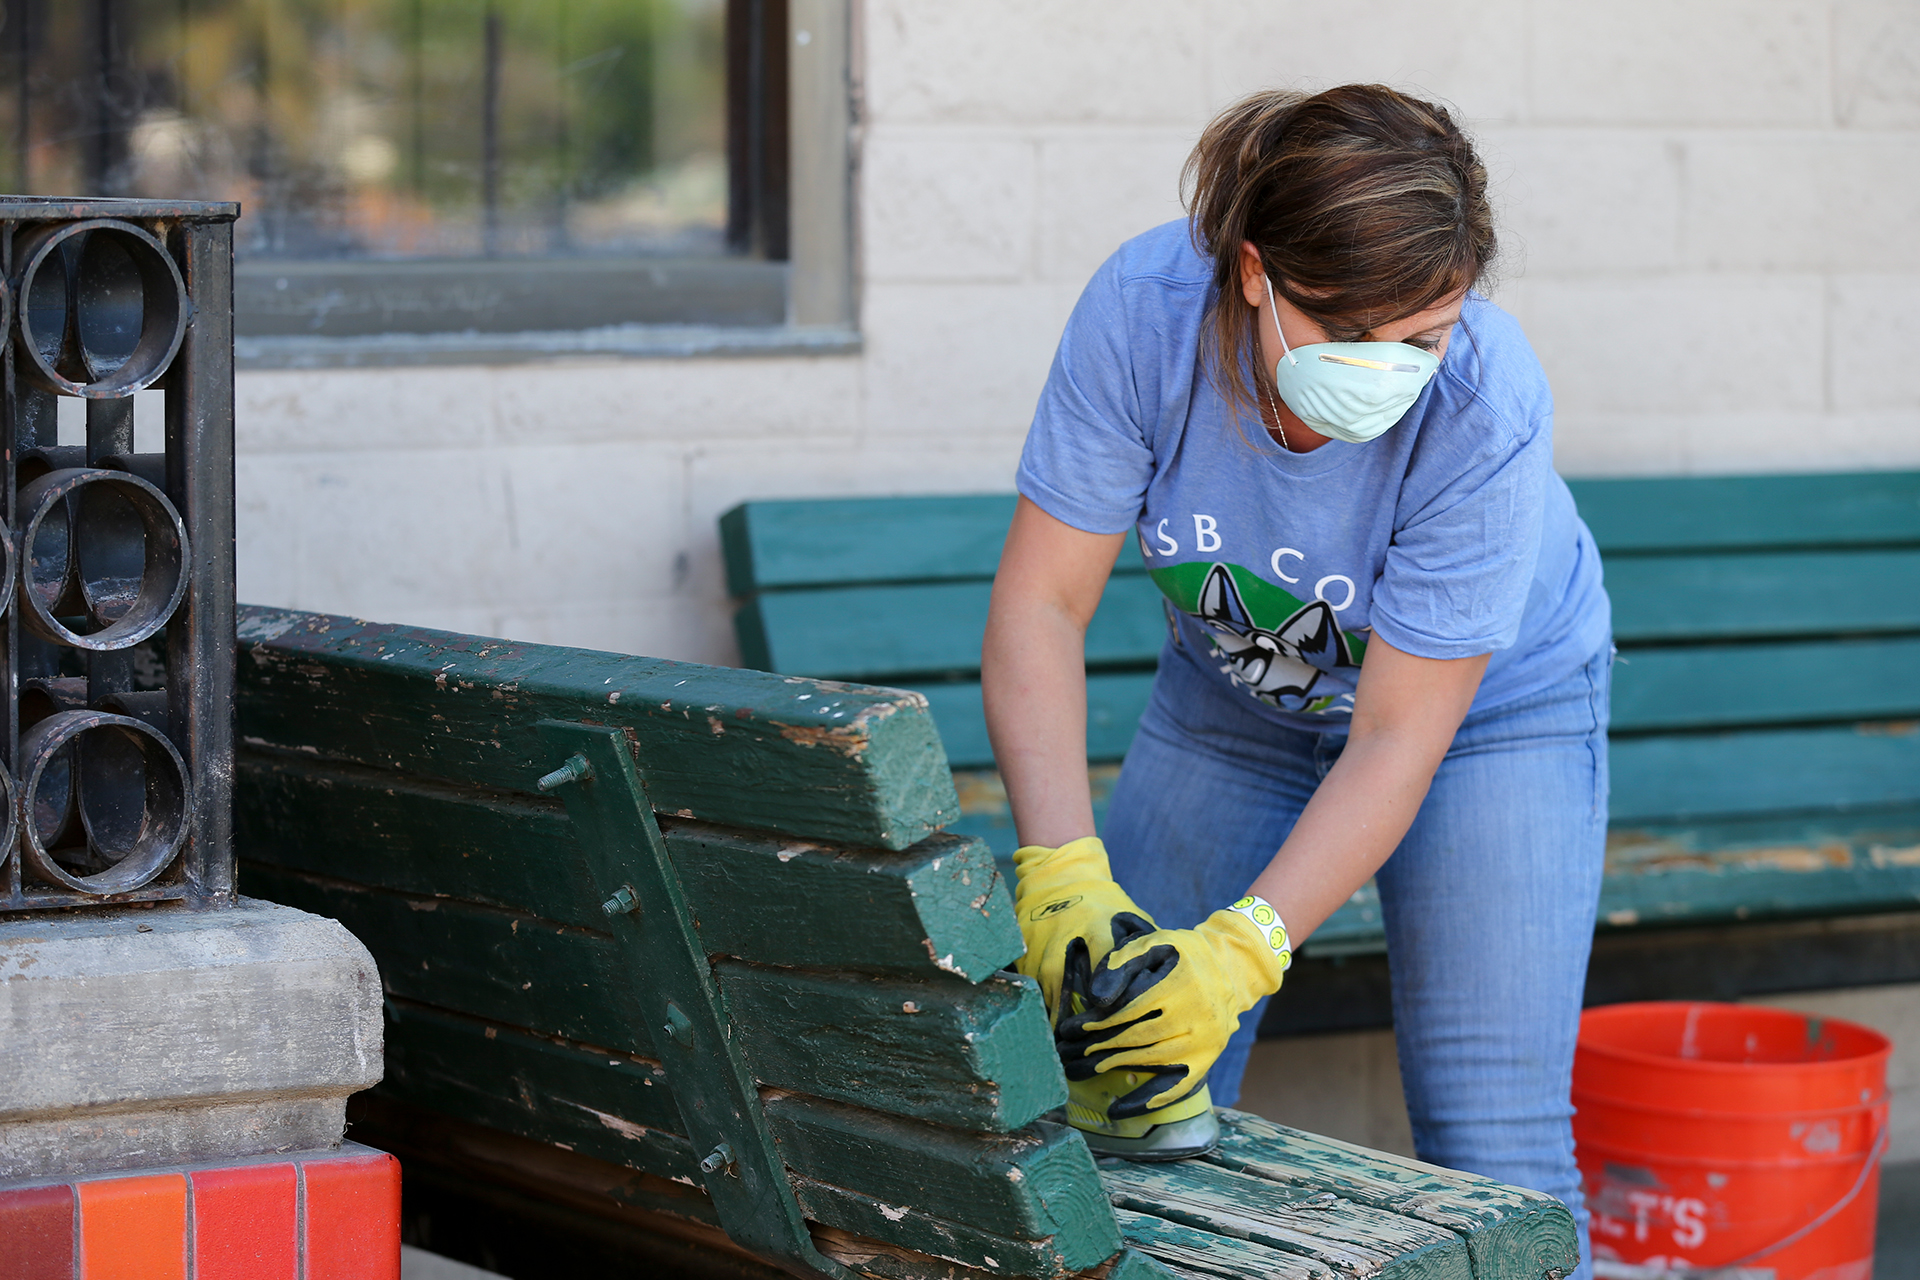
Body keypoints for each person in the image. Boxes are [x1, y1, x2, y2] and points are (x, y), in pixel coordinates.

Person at [980, 84, 1611, 1272]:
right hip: (1232, 703)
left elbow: (1397, 737)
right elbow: (1042, 603)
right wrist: (1060, 871)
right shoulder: (1146, 315)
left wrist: (1246, 946)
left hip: (1488, 718)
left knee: (1495, 1144)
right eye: (1349, 331)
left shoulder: (1486, 400)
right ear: (1256, 272)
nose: (1386, 369)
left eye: (1421, 337)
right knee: (1120, 1085)